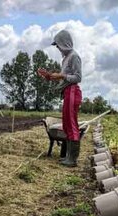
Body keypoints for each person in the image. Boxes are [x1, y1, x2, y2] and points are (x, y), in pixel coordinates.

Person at [37, 29, 82, 167]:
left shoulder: (74, 56)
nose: (57, 48)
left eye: (58, 45)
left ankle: (72, 159)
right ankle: (68, 156)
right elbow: (63, 79)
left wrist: (61, 76)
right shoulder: (65, 59)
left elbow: (78, 77)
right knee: (67, 125)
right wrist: (49, 77)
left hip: (73, 91)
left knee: (72, 124)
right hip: (67, 92)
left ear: (64, 43)